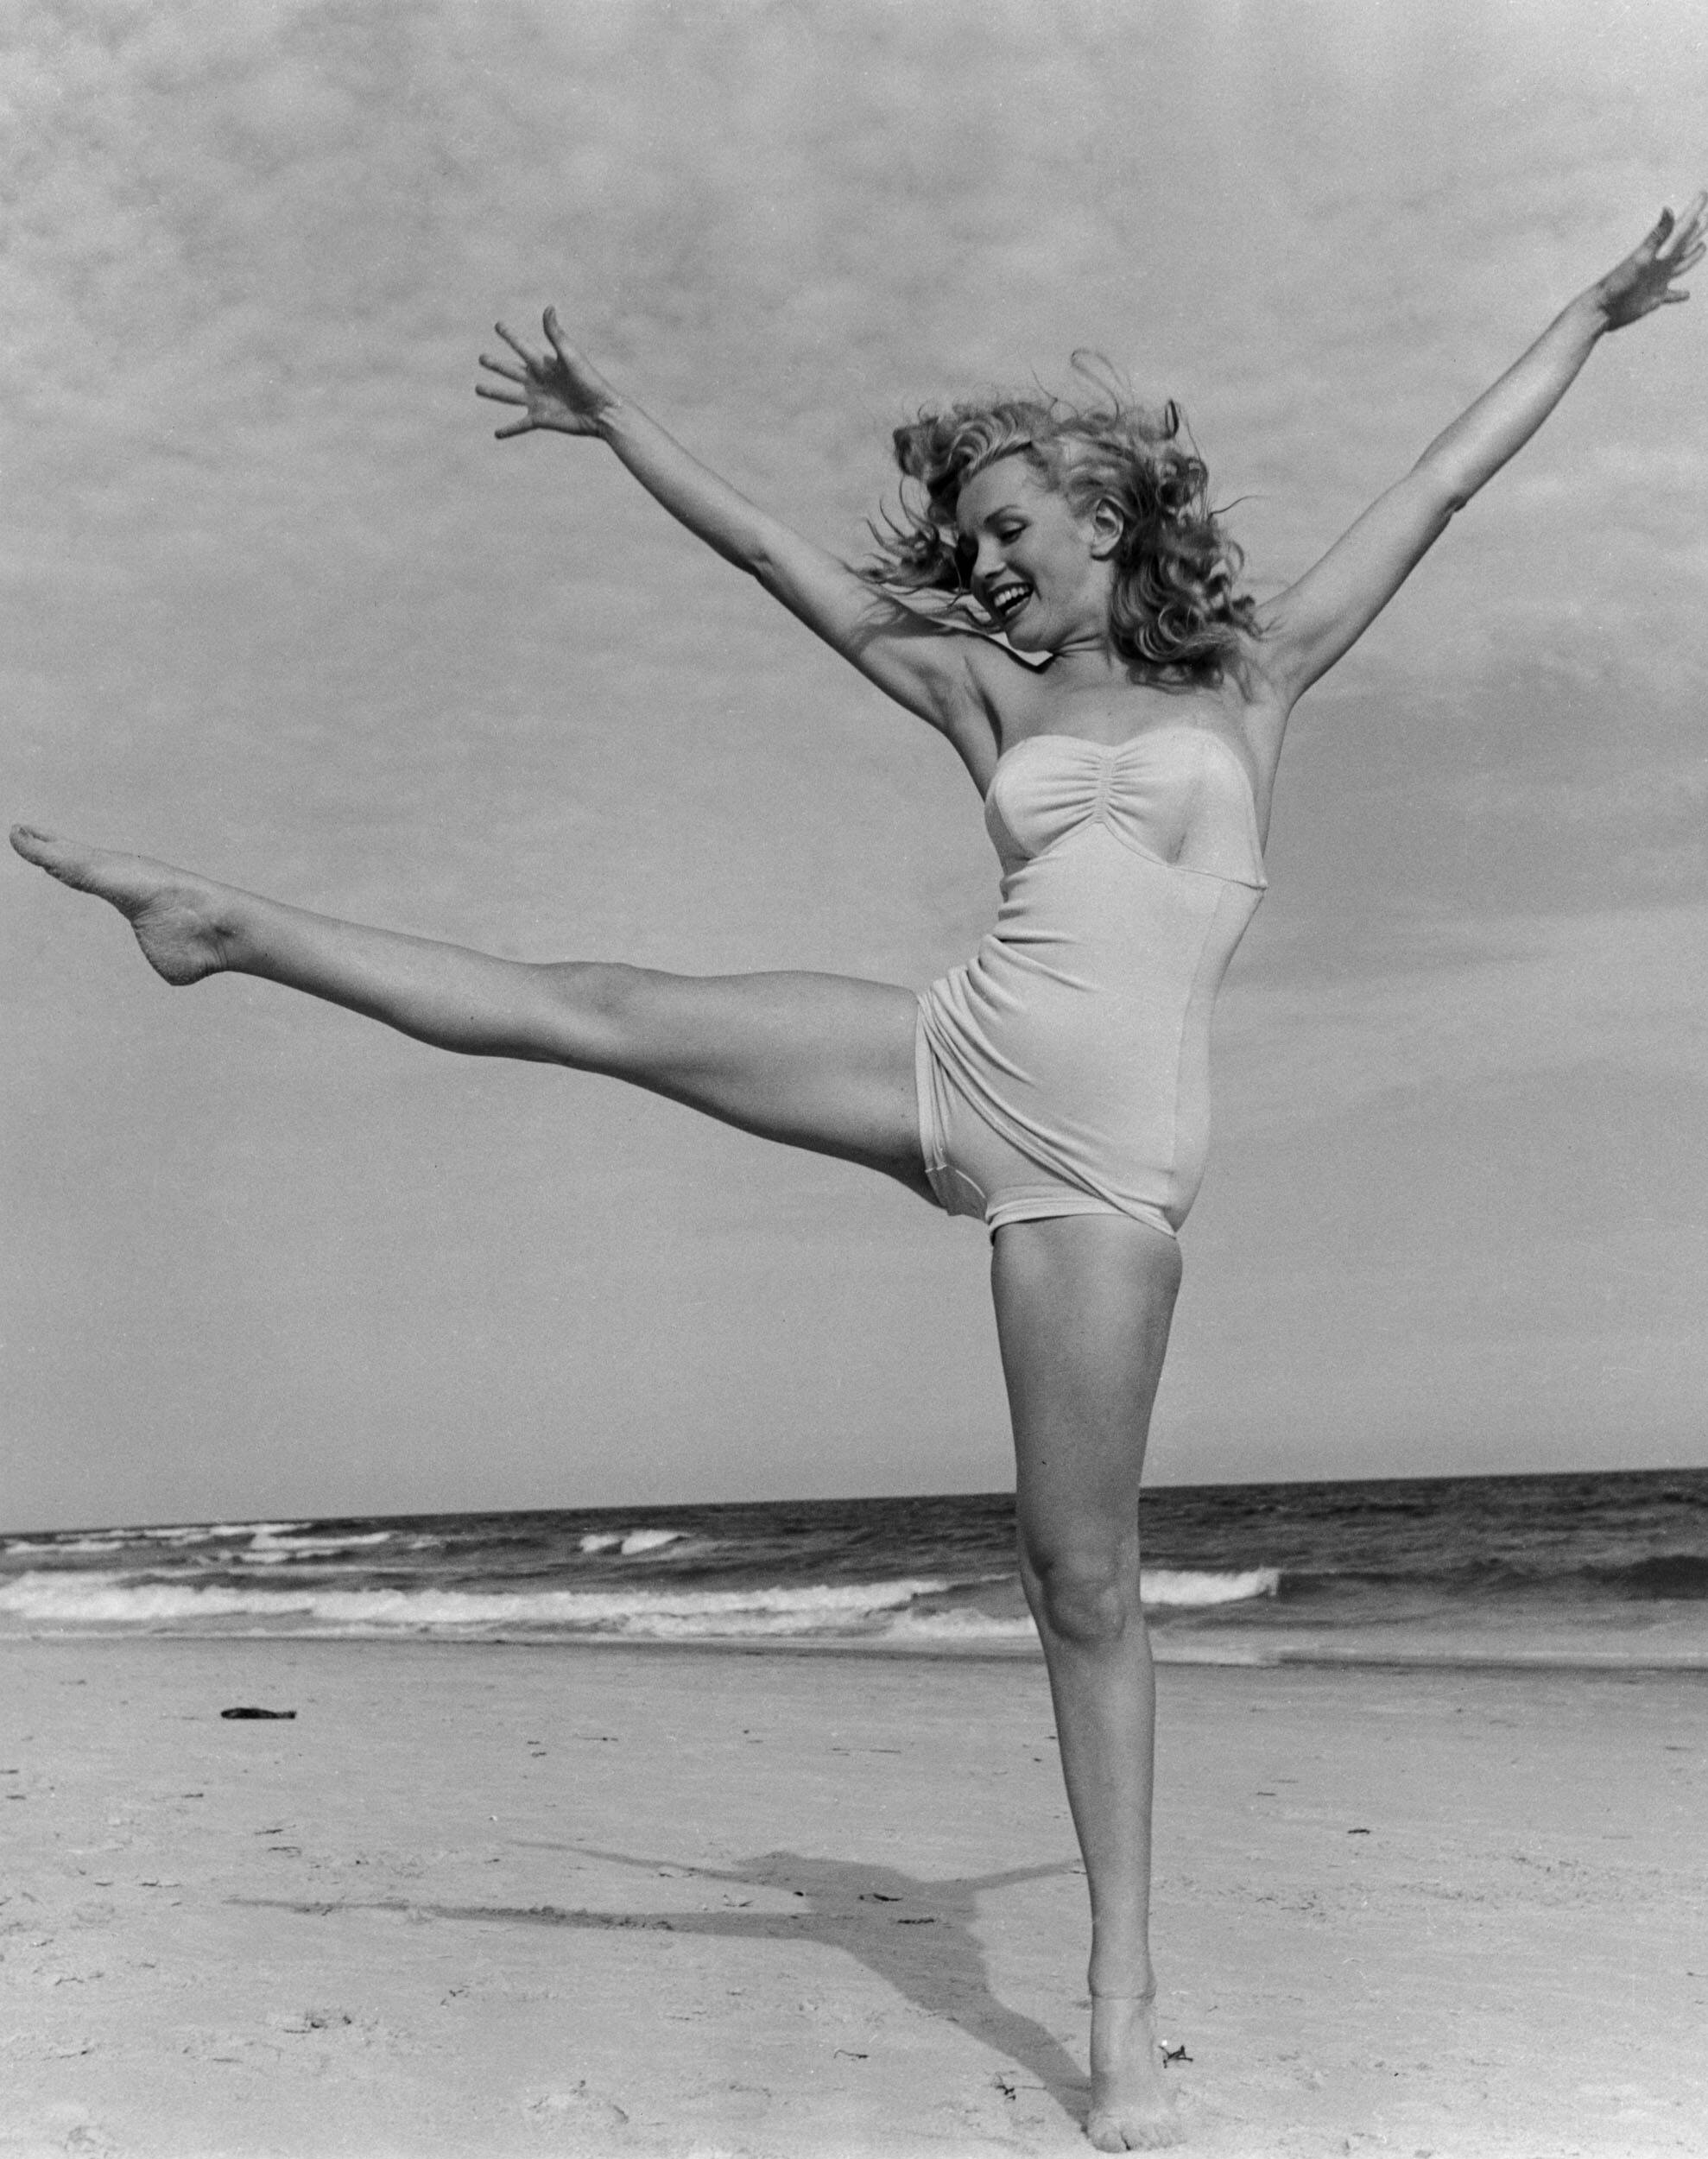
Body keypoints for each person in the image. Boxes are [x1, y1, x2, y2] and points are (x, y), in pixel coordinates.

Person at [12, 199, 1701, 2150]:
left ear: (1103, 506)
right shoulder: (987, 698)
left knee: (1077, 1572)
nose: (980, 565)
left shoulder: (1255, 675)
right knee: (605, 1003)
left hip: (1101, 1166)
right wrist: (611, 411)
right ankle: (220, 923)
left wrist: (1587, 311)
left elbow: (1442, 482)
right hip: (949, 1055)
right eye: (966, 540)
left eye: (1007, 528)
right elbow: (768, 558)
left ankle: (1118, 1992)